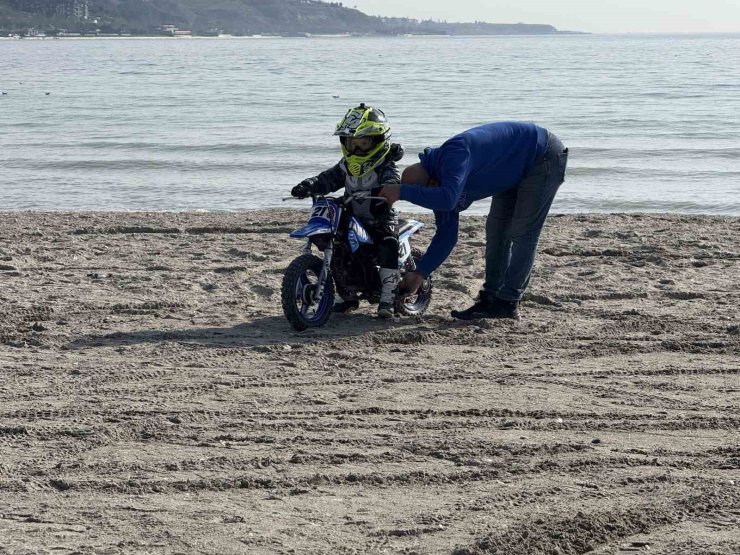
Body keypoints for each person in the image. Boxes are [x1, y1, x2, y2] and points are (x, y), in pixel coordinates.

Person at [379, 121, 568, 320]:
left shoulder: (454, 154)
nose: (431, 196)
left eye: (428, 191)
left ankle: (508, 302)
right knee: (496, 232)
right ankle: (491, 298)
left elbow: (447, 199)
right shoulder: (438, 188)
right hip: (510, 170)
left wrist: (402, 192)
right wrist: (421, 272)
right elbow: (446, 236)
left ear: (432, 181)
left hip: (541, 155)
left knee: (523, 232)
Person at [291, 103, 404, 318]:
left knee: (387, 242)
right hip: (351, 213)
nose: (358, 149)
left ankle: (388, 296)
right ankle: (347, 295)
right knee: (338, 245)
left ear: (378, 141)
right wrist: (309, 184)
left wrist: (385, 195)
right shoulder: (346, 165)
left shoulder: (385, 164)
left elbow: (393, 181)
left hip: (379, 216)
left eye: (364, 143)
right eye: (353, 144)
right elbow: (328, 178)